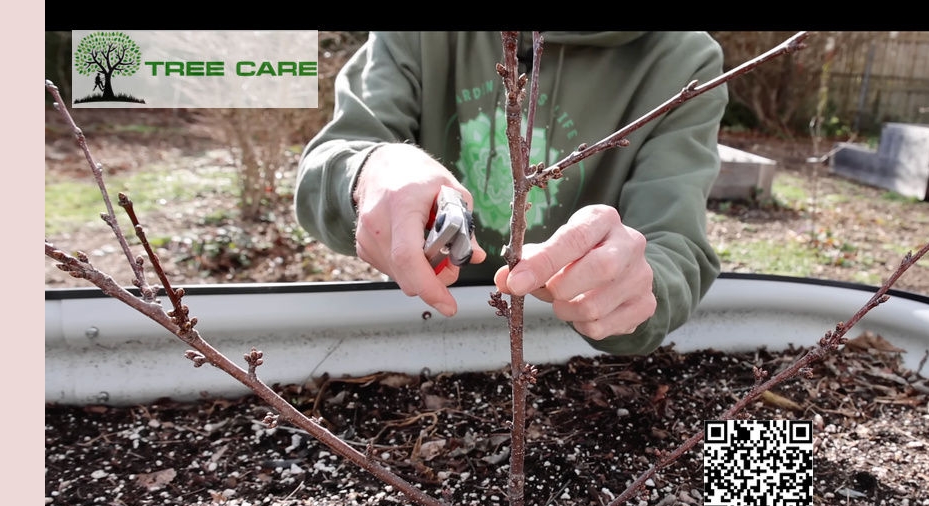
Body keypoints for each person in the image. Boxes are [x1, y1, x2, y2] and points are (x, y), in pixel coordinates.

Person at [294, 31, 726, 355]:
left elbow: (675, 245)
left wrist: (636, 290)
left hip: (572, 346)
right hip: (420, 326)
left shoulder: (685, 60)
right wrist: (371, 171)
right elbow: (335, 157)